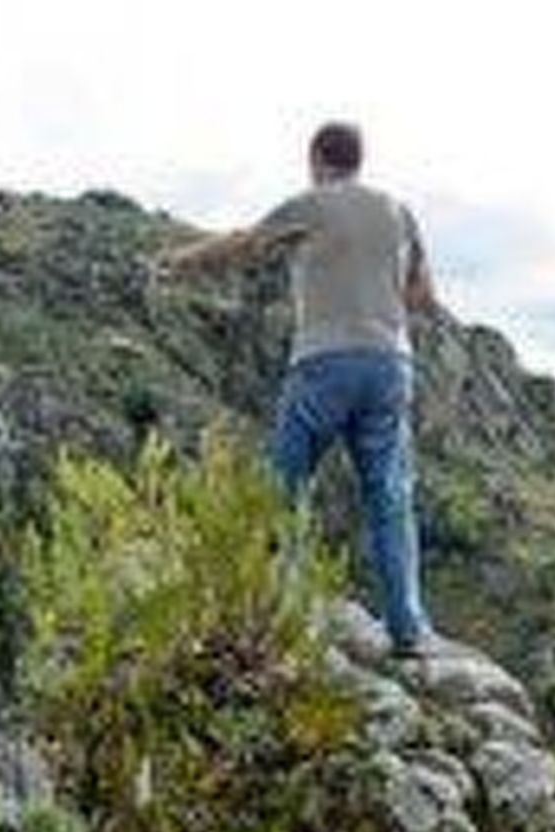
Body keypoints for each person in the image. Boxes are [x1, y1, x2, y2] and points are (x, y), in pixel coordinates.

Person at [157, 120, 441, 657]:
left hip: (323, 363)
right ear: (360, 159)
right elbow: (422, 295)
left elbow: (244, 244)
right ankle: (407, 629)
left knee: (284, 491)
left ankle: (281, 617)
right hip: (389, 364)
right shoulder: (399, 212)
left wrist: (179, 261)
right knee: (390, 498)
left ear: (316, 159)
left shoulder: (310, 205)